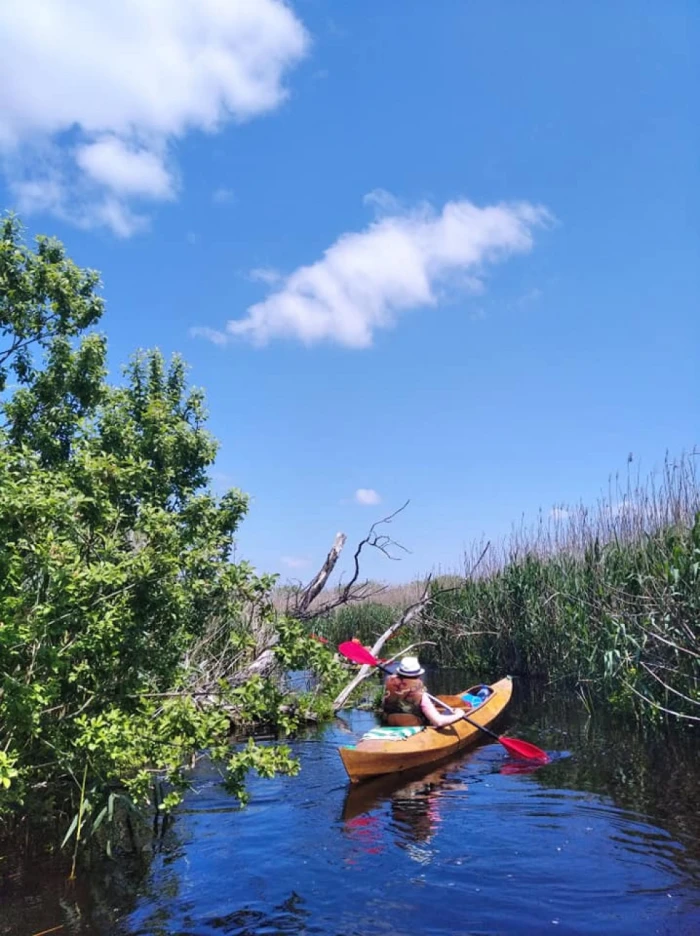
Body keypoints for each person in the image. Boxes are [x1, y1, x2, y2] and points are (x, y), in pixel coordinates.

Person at [382, 656, 467, 728]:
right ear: (419, 675)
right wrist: (458, 715)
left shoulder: (388, 688)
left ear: (398, 673)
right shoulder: (421, 695)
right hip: (413, 733)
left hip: (389, 727)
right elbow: (438, 722)